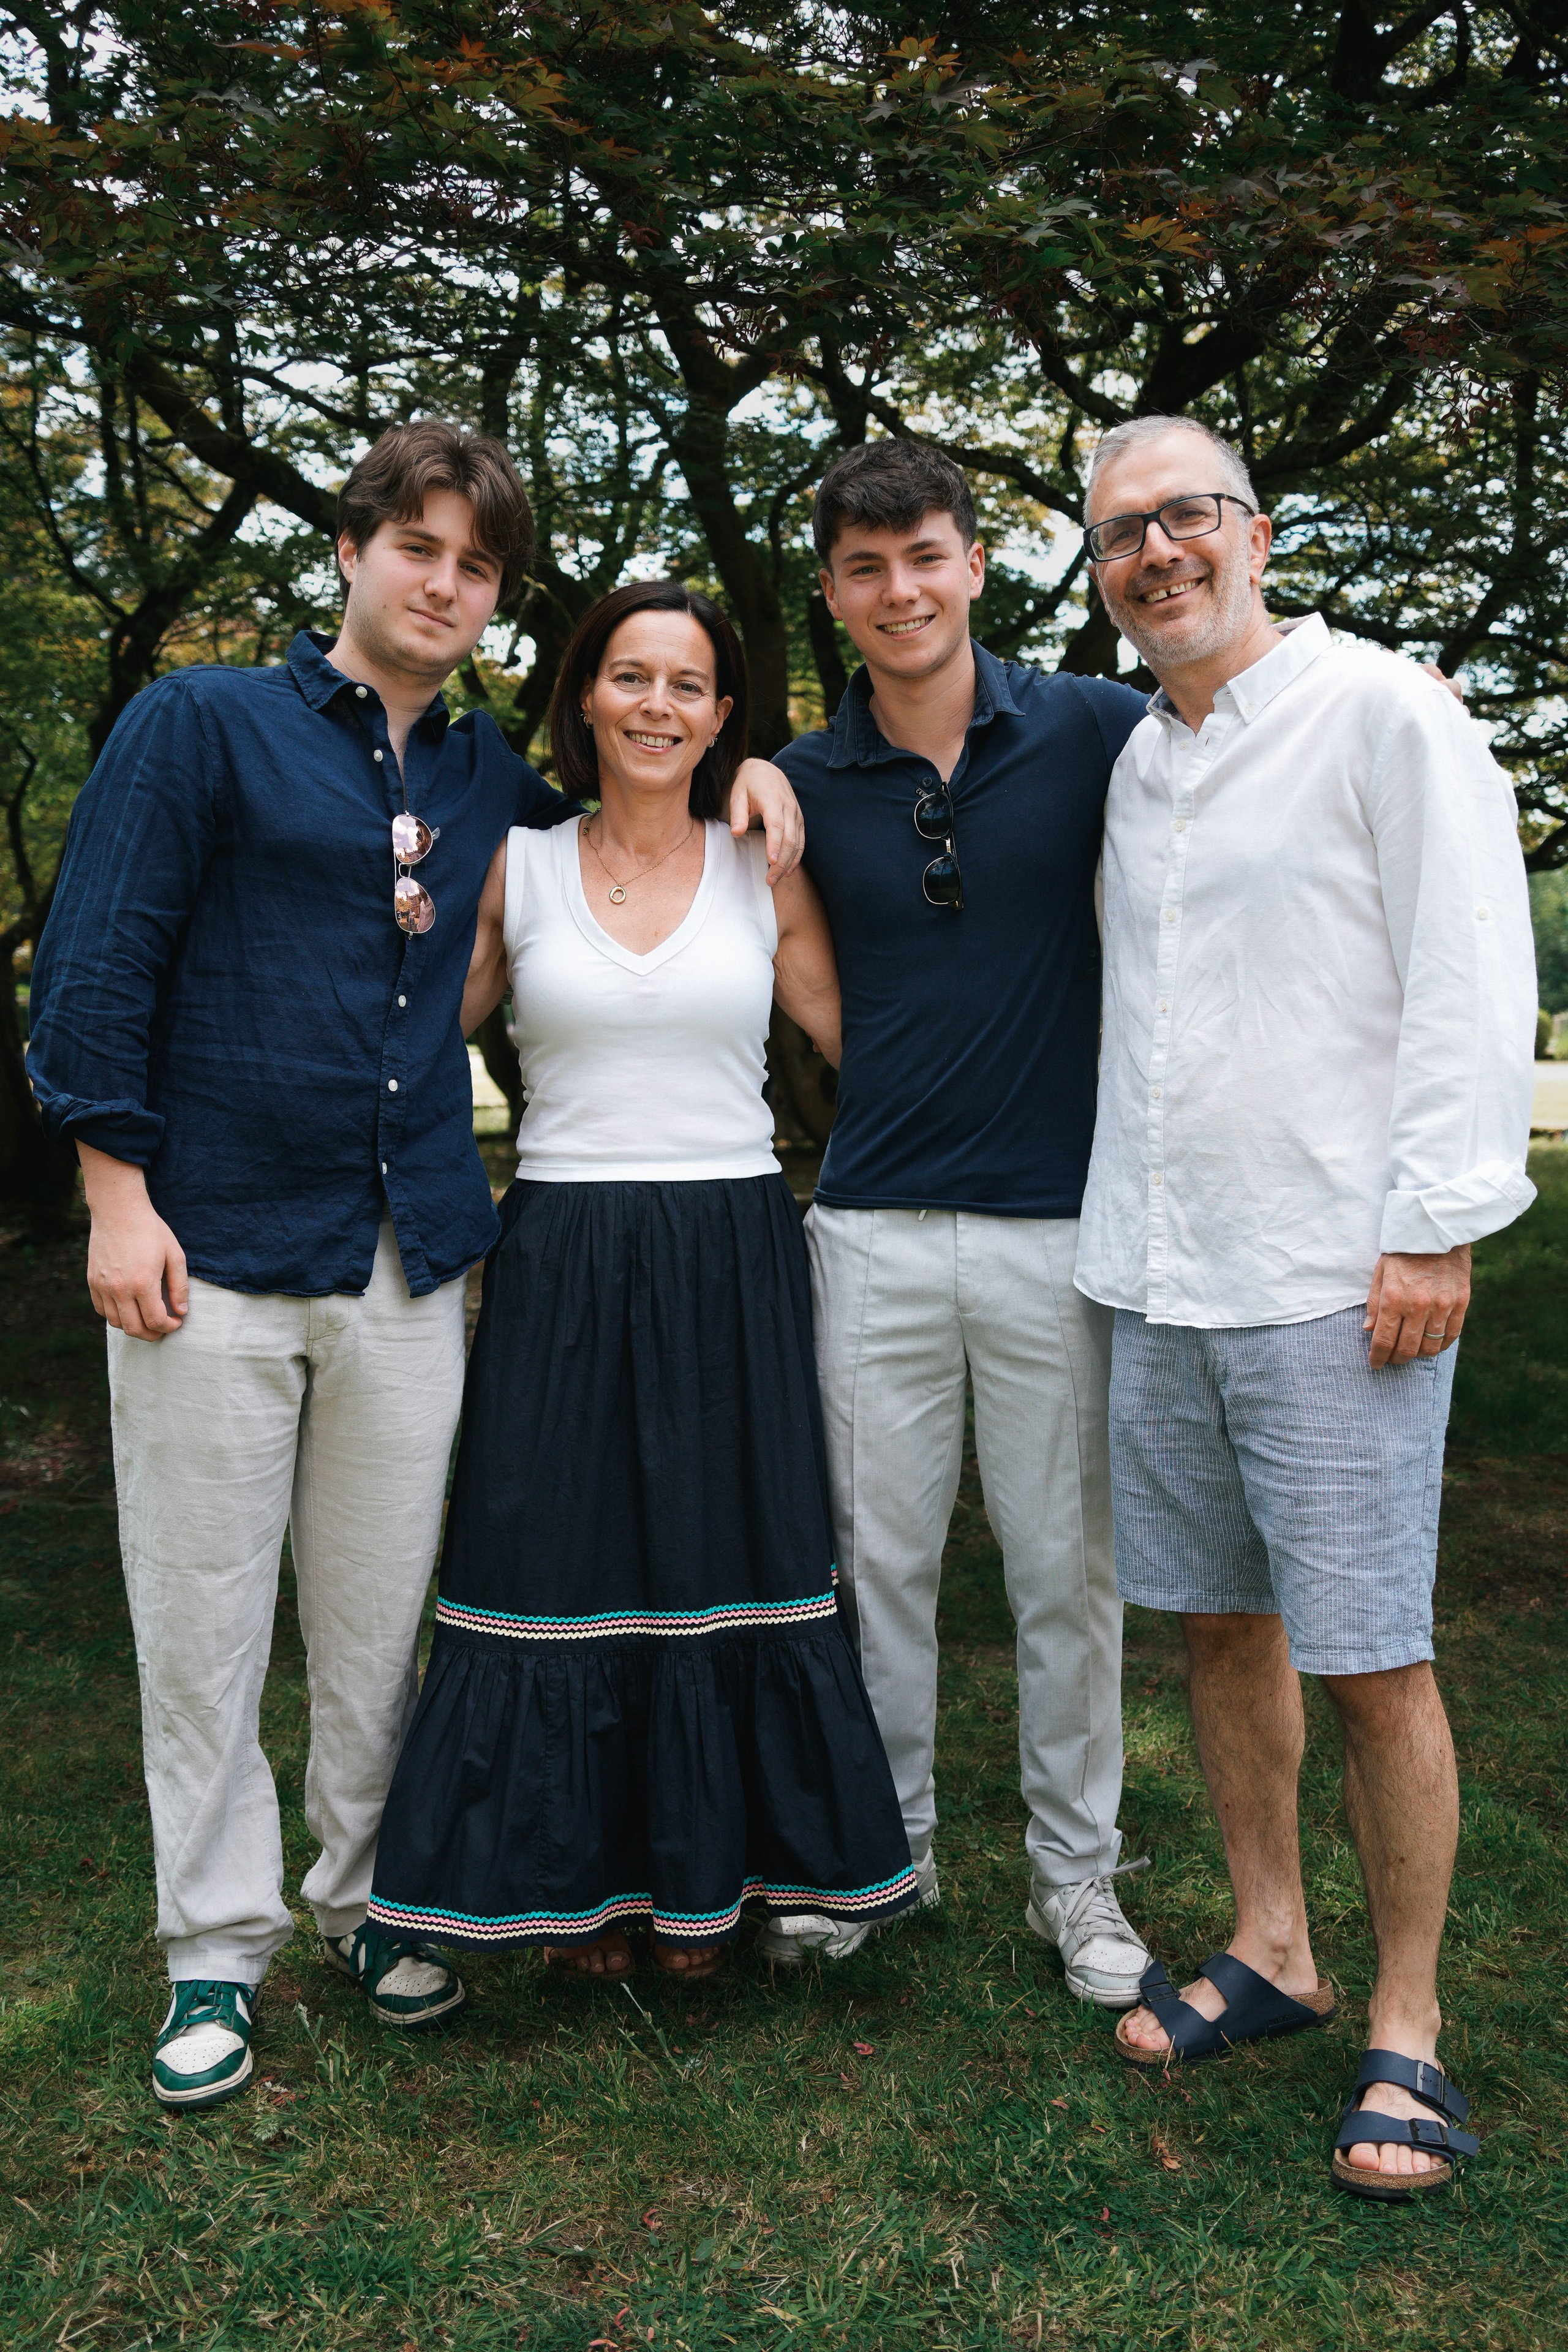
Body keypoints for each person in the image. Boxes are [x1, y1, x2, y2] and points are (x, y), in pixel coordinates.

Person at [26, 423, 804, 2109]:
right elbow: (95, 971)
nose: (445, 584)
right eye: (419, 549)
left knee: (385, 1619)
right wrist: (114, 1194)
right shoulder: (200, 725)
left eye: (478, 567)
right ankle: (215, 1953)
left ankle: (371, 1903)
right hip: (208, 1246)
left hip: (409, 1259)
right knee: (206, 1614)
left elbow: (624, 827)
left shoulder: (480, 786)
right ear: (353, 552)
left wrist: (761, 780)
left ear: (500, 601)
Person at [1074, 414, 1536, 2197]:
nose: (1156, 552)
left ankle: (1407, 2032)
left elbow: (1469, 973)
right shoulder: (1137, 759)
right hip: (1162, 1267)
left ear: (1256, 532)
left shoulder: (1386, 714)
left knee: (1370, 1653)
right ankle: (1273, 1944)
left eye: (1185, 516)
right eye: (1122, 533)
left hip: (1335, 1280)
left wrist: (1435, 1229)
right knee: (1212, 1625)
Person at [366, 581, 915, 1977]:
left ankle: (711, 1886)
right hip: (560, 1244)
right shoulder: (519, 864)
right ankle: (581, 1888)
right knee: (557, 1556)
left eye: (686, 684)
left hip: (730, 1244)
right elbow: (407, 1038)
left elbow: (876, 1042)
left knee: (724, 1558)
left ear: (723, 714)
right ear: (585, 698)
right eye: (629, 677)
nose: (656, 705)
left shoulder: (761, 865)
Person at [759, 441, 1154, 2004]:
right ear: (833, 593)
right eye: (863, 568)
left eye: (923, 555)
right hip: (866, 1226)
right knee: (876, 1570)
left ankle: (1078, 1882)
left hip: (1061, 1228)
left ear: (973, 562)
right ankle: (886, 1857)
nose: (897, 590)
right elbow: (786, 962)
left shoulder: (1099, 728)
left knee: (1069, 1576)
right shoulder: (792, 778)